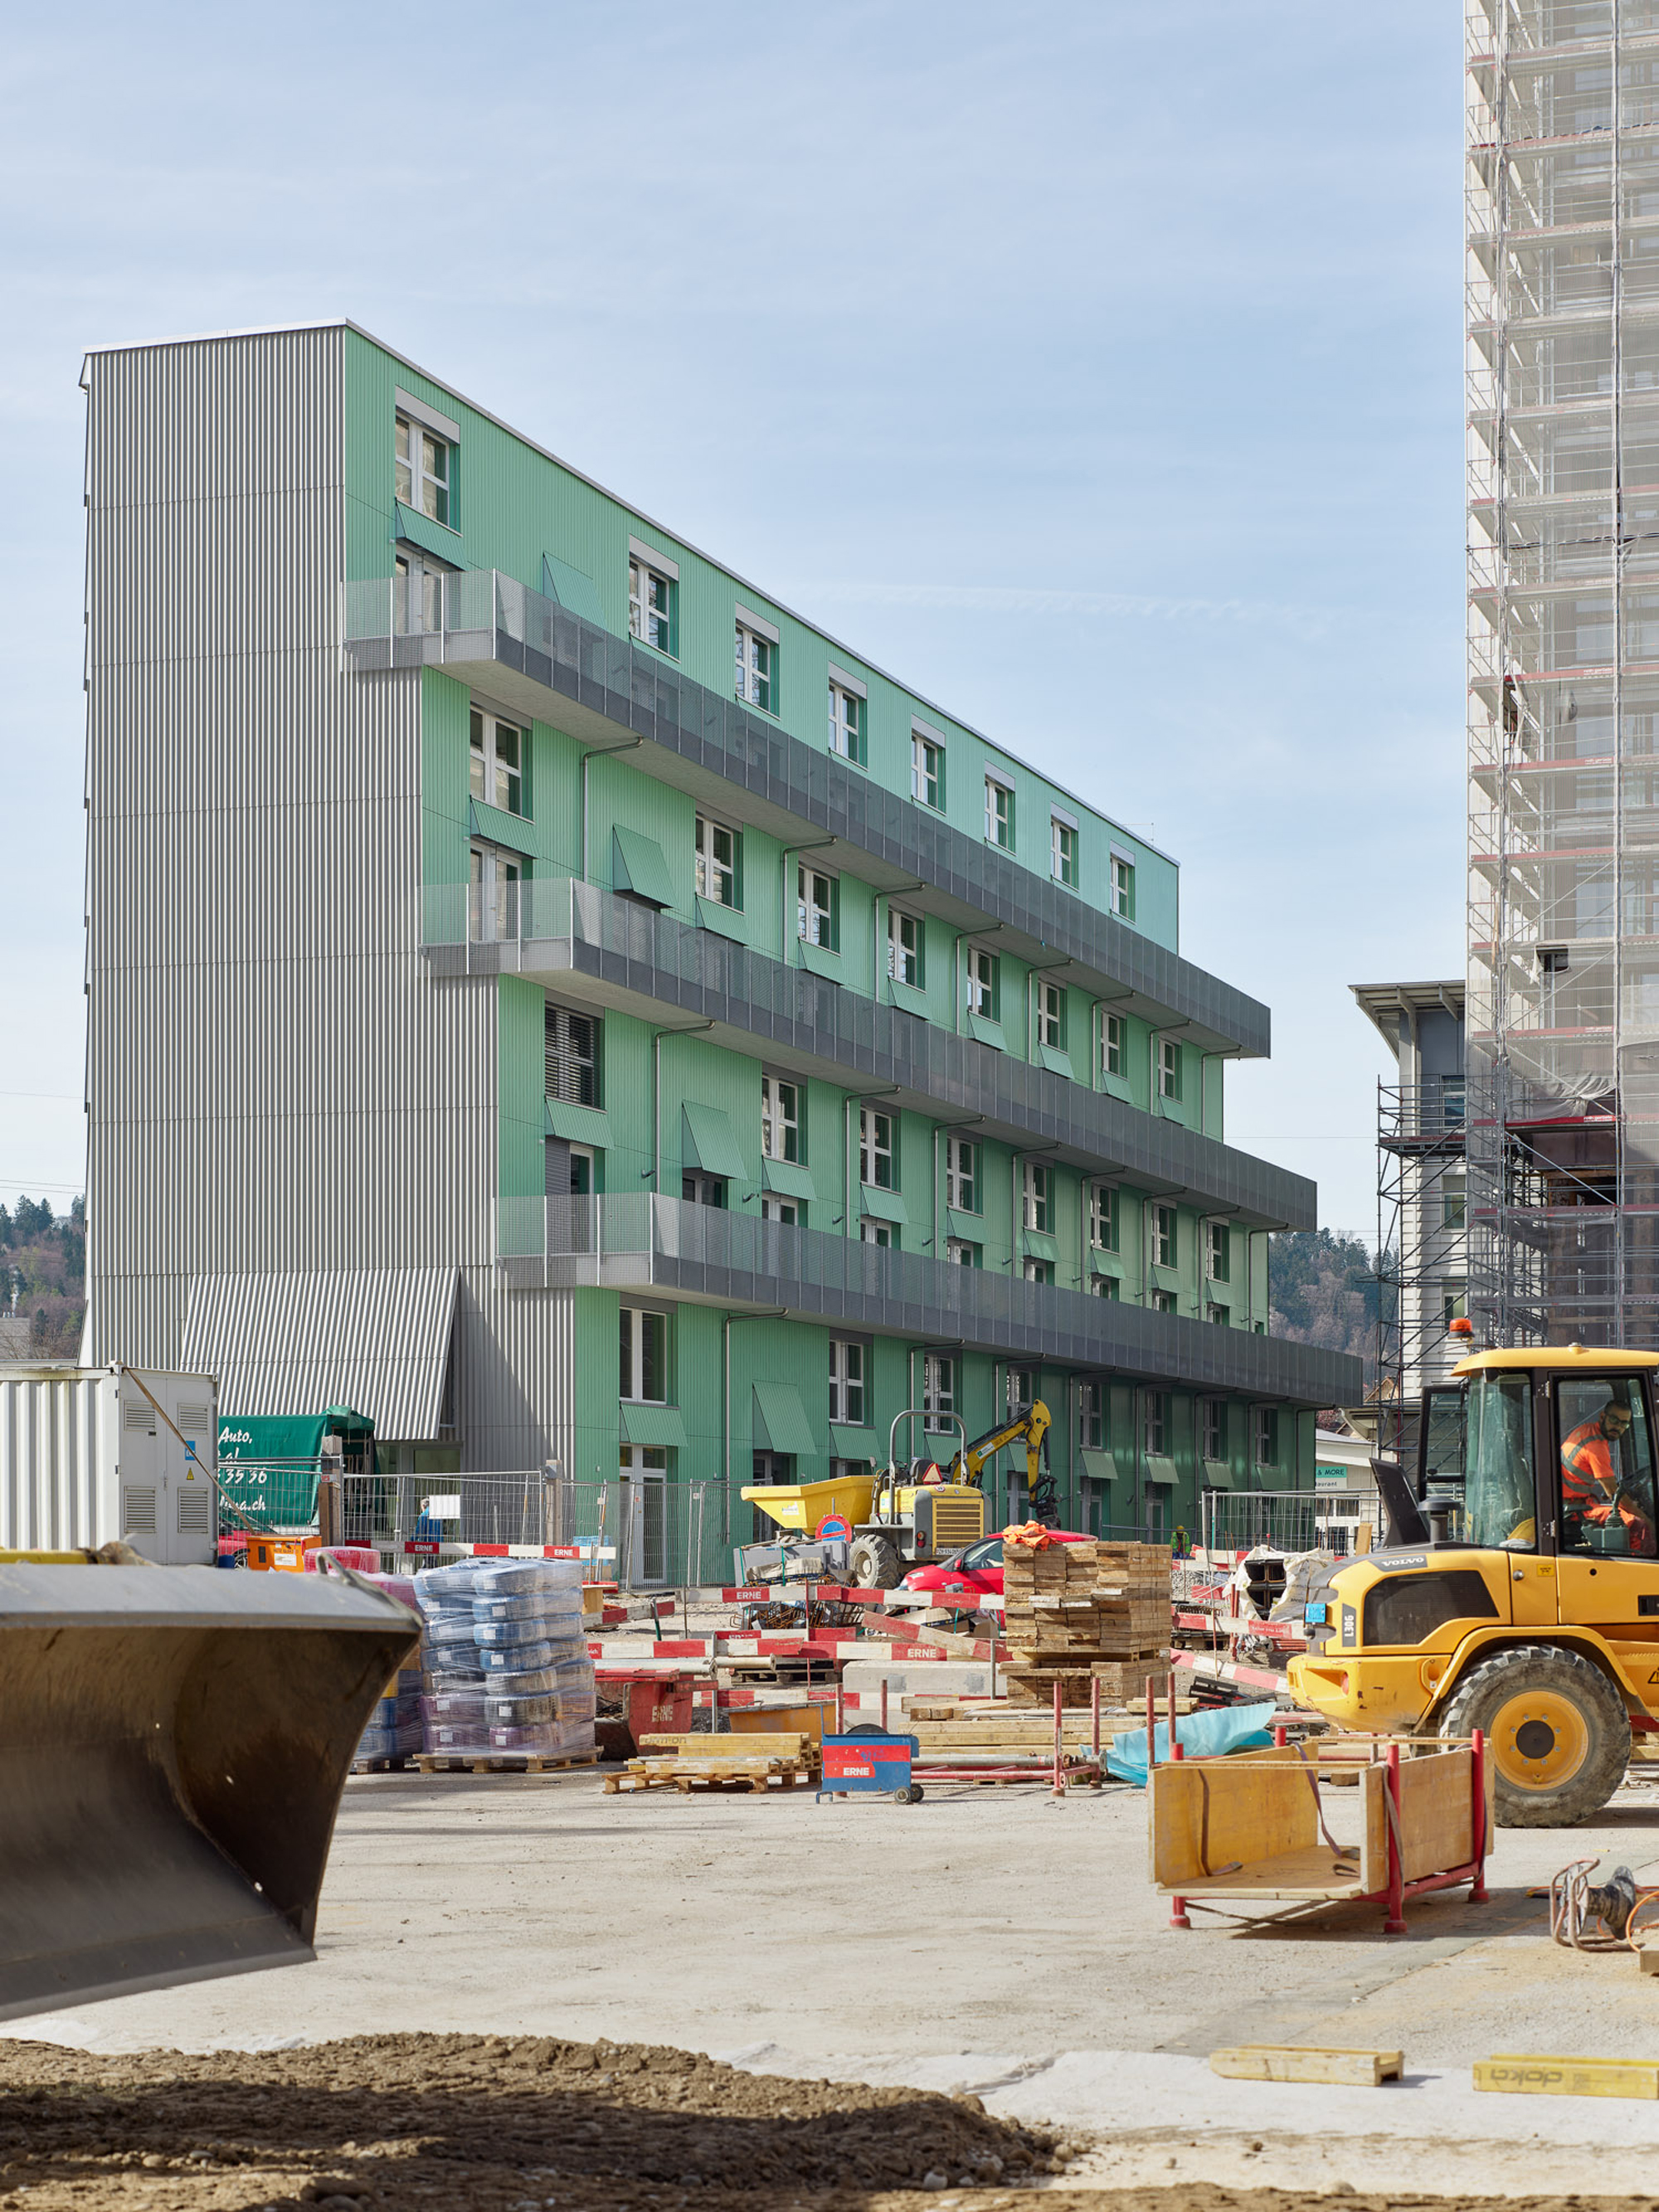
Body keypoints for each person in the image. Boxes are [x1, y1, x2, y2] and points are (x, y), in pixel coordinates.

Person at [1559, 1401, 1657, 1555]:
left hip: (1575, 1504)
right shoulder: (1596, 1446)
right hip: (1573, 1511)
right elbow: (1612, 1491)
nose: (1618, 1427)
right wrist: (1647, 1520)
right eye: (1614, 1421)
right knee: (1639, 1526)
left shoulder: (1586, 1430)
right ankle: (1640, 1571)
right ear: (1602, 1416)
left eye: (1624, 1424)